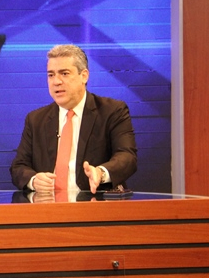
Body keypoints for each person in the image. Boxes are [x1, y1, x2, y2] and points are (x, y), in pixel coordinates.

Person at [10, 44, 137, 200]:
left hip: (95, 205)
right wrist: (34, 180)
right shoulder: (36, 119)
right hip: (48, 207)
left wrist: (101, 173)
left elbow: (127, 157)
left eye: (64, 73)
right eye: (51, 75)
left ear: (84, 76)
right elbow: (18, 166)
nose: (56, 81)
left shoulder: (112, 111)